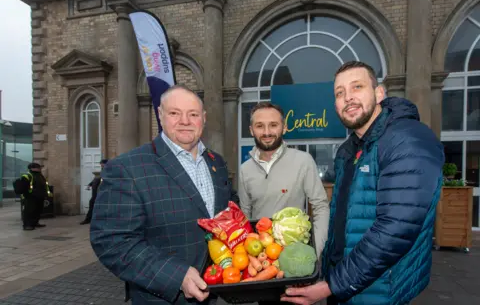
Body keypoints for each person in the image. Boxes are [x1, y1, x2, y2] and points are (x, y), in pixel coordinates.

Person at [281, 61, 445, 305]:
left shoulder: (407, 140)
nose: (348, 98)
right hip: (346, 283)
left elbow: (395, 230)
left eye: (357, 87)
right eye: (339, 93)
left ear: (379, 93)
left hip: (380, 288)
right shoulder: (348, 150)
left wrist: (330, 286)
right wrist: (326, 274)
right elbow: (342, 220)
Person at [90, 85, 238, 305]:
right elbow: (112, 241)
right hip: (163, 298)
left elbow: (228, 212)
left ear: (204, 119)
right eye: (174, 113)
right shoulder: (127, 168)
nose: (185, 121)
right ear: (160, 115)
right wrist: (176, 276)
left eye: (193, 114)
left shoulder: (216, 162)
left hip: (212, 292)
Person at [238, 102, 330, 256]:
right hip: (261, 257)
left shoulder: (303, 161)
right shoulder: (244, 170)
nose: (267, 132)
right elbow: (245, 216)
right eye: (260, 126)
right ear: (251, 131)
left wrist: (316, 251)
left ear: (284, 127)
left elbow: (321, 207)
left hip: (295, 253)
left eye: (273, 125)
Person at [13, 163, 52, 230]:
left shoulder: (40, 176)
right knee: (29, 211)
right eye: (38, 167)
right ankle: (27, 225)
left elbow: (45, 185)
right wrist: (28, 194)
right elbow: (24, 187)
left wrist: (47, 194)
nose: (40, 168)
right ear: (32, 168)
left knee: (38, 211)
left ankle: (35, 223)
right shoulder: (27, 176)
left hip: (39, 197)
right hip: (30, 198)